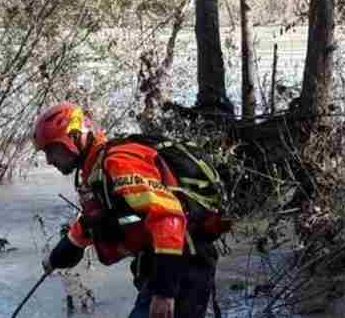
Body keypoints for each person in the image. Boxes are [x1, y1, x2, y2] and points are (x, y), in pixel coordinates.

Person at [33, 102, 218, 318]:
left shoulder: (118, 163)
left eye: (51, 149)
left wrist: (165, 291)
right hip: (163, 266)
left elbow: (167, 217)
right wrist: (56, 258)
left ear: (74, 137)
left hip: (183, 265)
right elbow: (94, 222)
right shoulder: (96, 171)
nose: (49, 160)